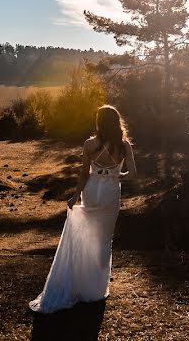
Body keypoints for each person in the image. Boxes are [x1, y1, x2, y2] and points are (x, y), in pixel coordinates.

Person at [28, 105, 136, 314]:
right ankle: (97, 289)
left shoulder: (89, 144)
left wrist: (76, 195)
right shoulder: (125, 146)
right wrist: (116, 176)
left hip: (92, 190)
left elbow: (84, 174)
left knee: (88, 237)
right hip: (111, 192)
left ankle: (82, 281)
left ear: (99, 122)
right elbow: (132, 174)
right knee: (105, 239)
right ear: (116, 122)